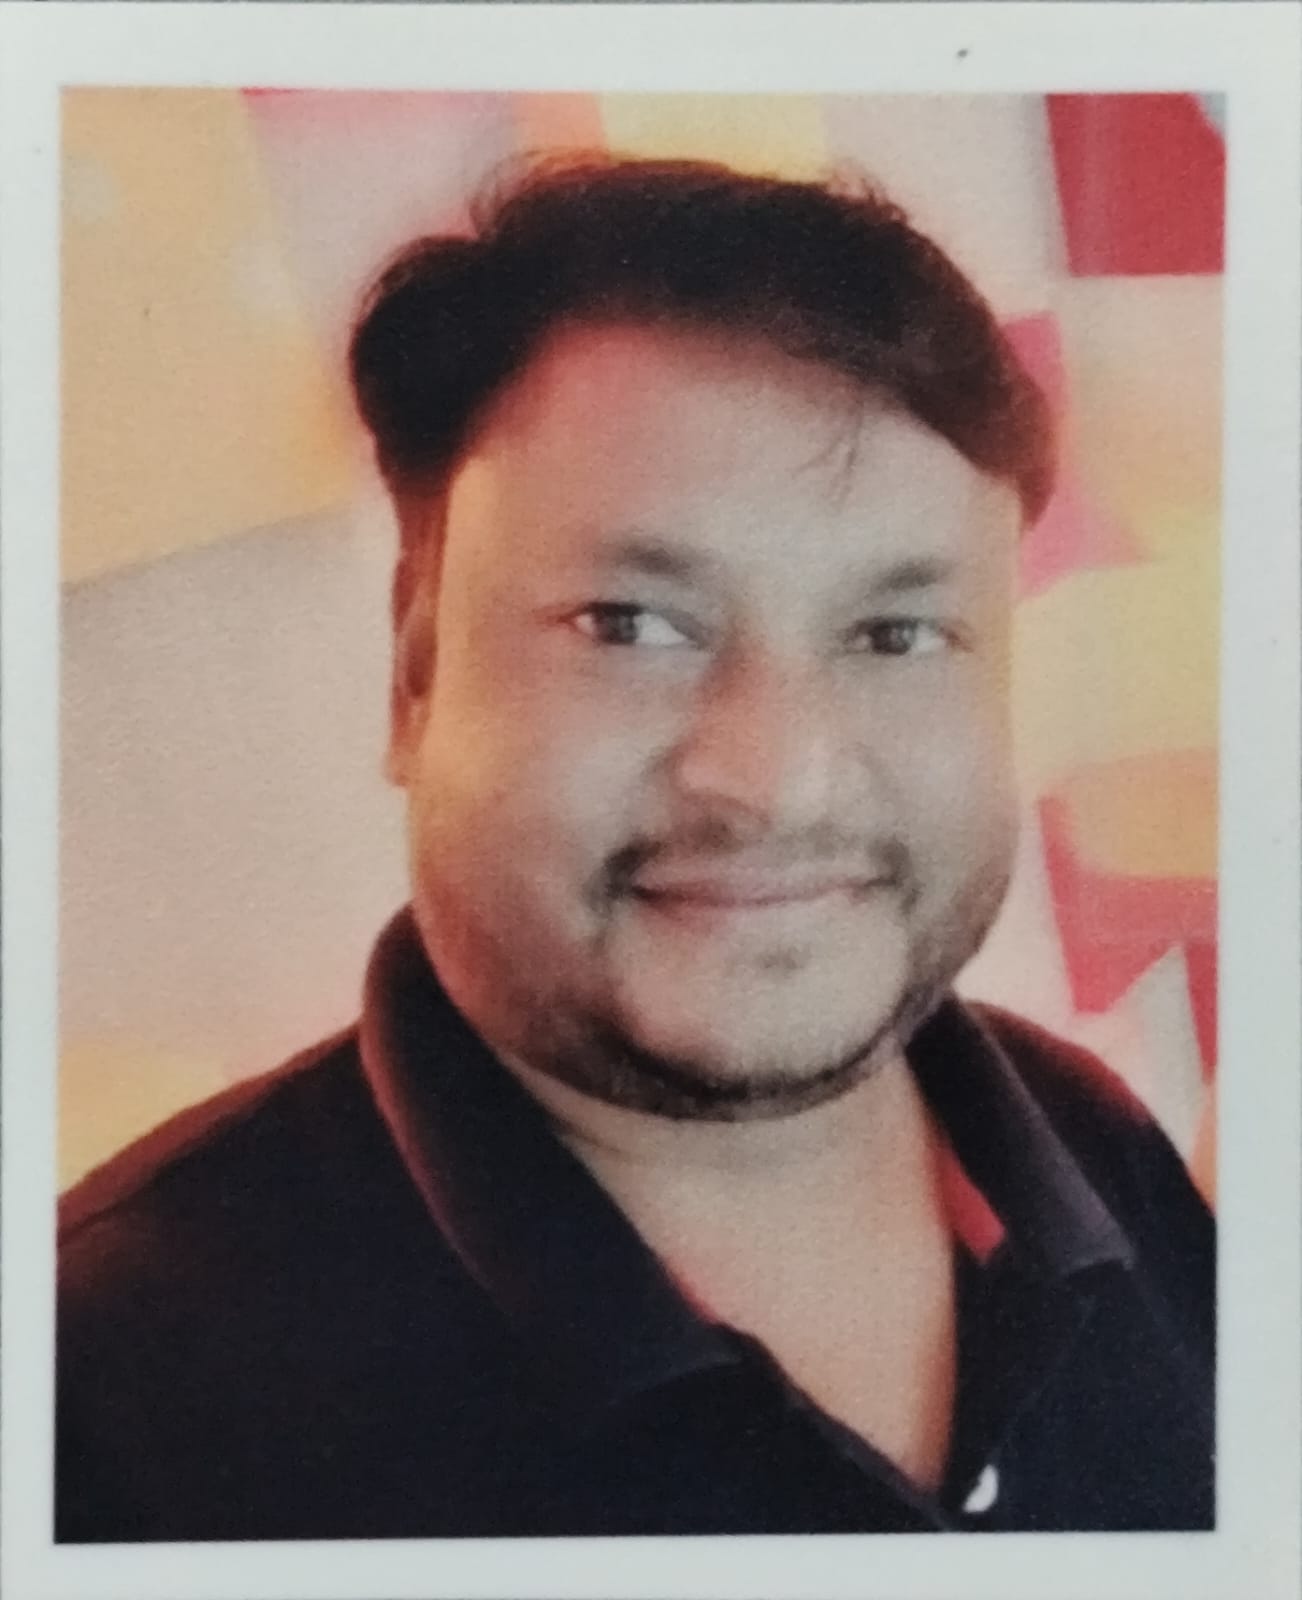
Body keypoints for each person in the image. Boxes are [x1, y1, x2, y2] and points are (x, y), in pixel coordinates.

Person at [56, 156, 1214, 1541]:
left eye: (895, 634)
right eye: (630, 624)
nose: (775, 780)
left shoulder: (1097, 1143)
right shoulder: (98, 1395)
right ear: (416, 677)